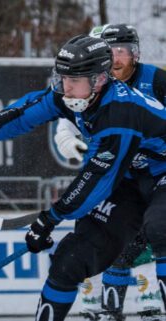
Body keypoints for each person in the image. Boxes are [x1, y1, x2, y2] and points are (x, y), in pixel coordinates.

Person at [0, 35, 166, 321]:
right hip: (128, 180)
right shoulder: (74, 94)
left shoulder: (121, 114)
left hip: (158, 175)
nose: (66, 87)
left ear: (100, 79)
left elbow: (96, 181)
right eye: (62, 78)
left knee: (160, 228)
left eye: (74, 80)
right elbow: (24, 113)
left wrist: (50, 218)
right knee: (68, 261)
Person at [52, 23, 166, 321]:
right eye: (110, 51)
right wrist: (65, 138)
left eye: (122, 51)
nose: (116, 58)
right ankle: (105, 308)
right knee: (104, 236)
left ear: (135, 54)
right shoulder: (92, 83)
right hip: (118, 174)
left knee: (155, 231)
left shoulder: (155, 79)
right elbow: (65, 112)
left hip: (156, 173)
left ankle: (149, 302)